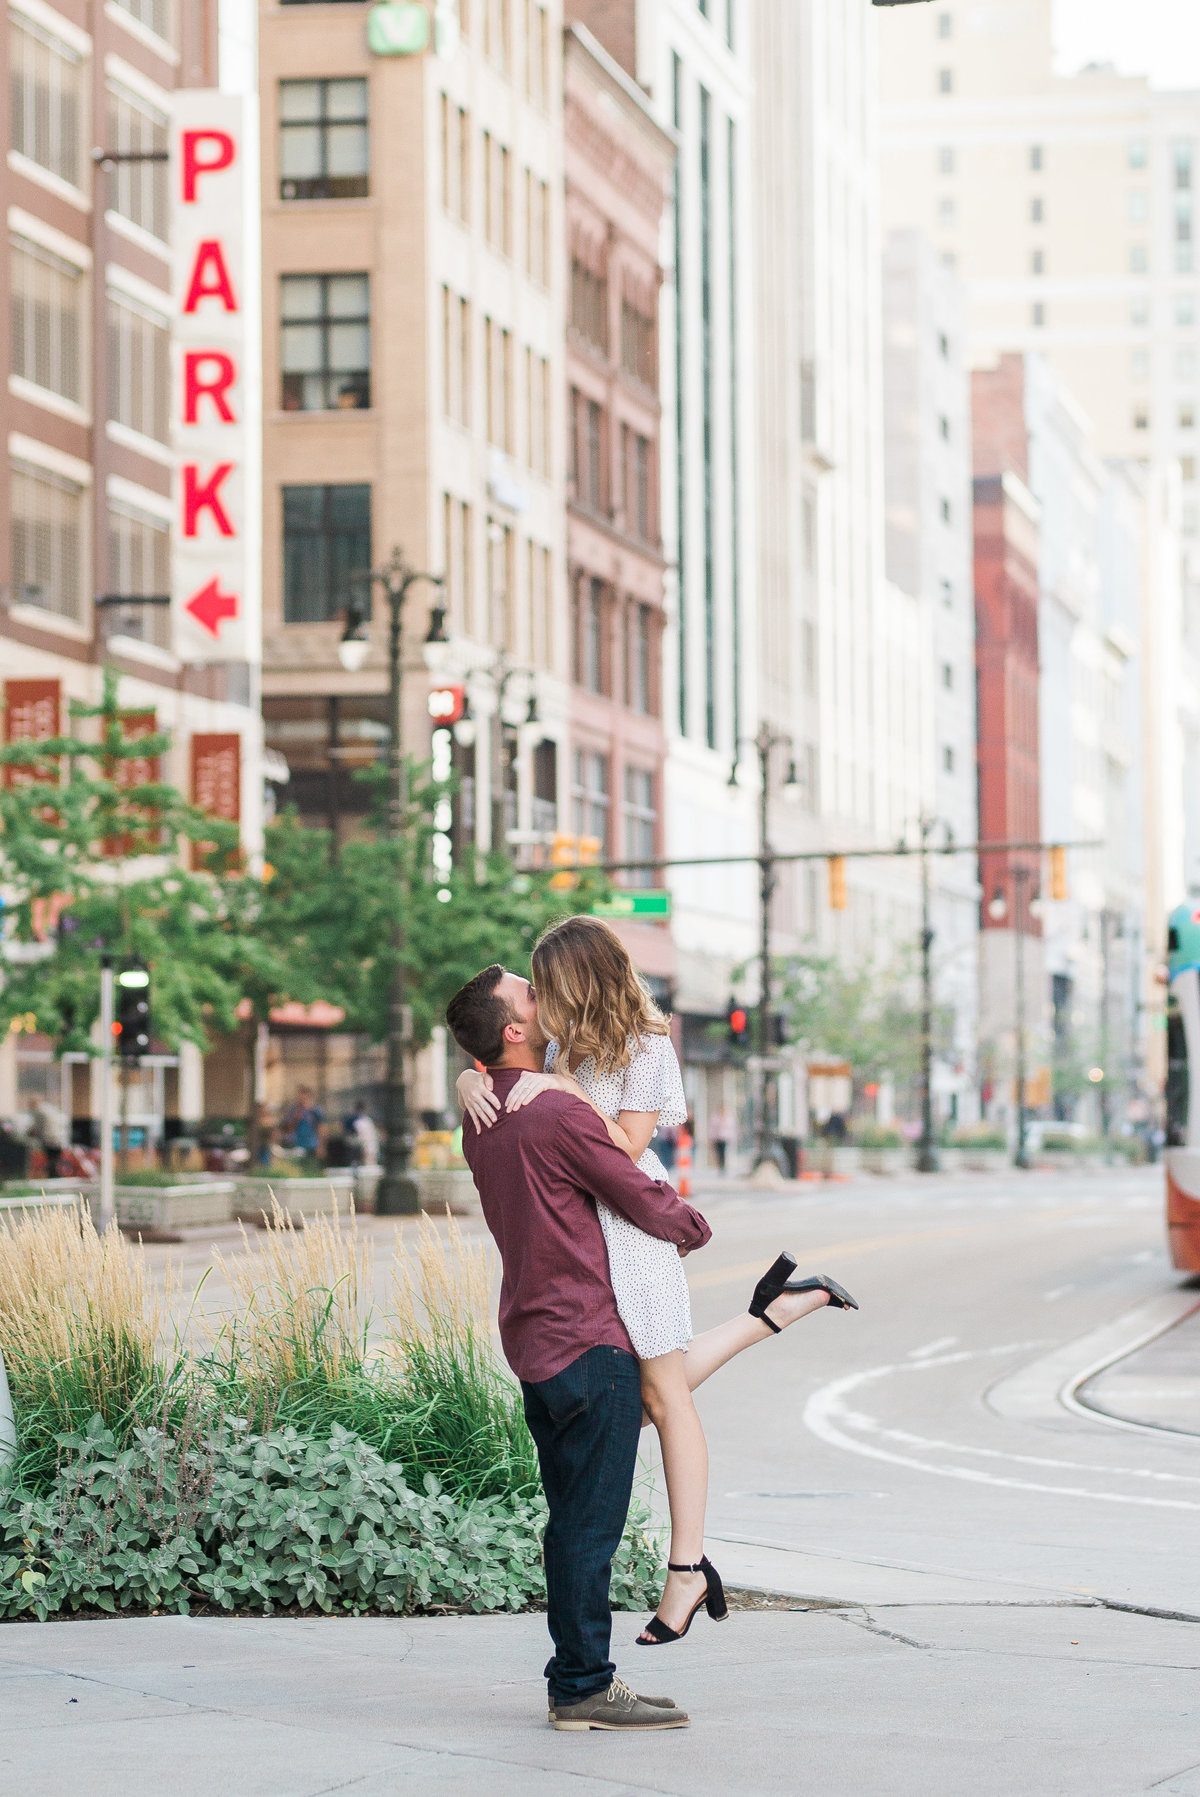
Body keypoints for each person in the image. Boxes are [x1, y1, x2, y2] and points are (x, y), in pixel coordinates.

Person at [457, 917, 857, 1652]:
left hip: (635, 1231)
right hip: (591, 1234)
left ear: (581, 979)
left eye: (546, 981)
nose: (539, 994)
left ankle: (686, 1567)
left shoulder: (645, 1044)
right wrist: (471, 1078)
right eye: (531, 988)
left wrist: (561, 1088)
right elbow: (496, 1055)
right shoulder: (558, 1040)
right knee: (639, 1397)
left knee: (663, 1399)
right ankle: (774, 1312)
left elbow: (629, 1147)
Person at [445, 963, 703, 1731]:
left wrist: (471, 1074)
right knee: (589, 1525)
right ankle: (584, 1685)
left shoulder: (482, 1110)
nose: (544, 996)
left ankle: (579, 1676)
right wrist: (693, 1227)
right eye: (530, 993)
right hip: (592, 1337)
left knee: (570, 1520)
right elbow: (631, 1187)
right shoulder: (554, 1112)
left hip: (534, 1339)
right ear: (516, 1029)